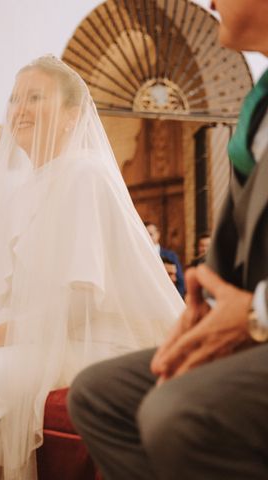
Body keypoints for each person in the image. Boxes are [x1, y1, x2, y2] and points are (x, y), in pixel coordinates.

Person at [0, 56, 183, 480]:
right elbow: (17, 294)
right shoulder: (23, 190)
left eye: (35, 98)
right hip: (39, 338)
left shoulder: (85, 174)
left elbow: (79, 300)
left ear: (71, 116)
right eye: (14, 99)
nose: (19, 109)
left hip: (93, 342)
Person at [68, 1, 268, 478]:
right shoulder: (258, 104)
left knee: (177, 412)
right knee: (99, 394)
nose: (211, 3)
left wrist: (259, 312)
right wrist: (204, 310)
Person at [145, 221, 186, 296]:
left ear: (158, 234)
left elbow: (180, 281)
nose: (148, 237)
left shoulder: (171, 255)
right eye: (145, 234)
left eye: (150, 234)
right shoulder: (142, 255)